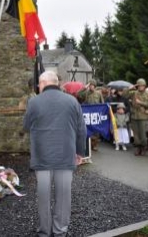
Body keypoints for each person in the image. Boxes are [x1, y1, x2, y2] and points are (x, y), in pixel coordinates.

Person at [23, 71, 86, 237]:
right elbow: (81, 129)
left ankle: (44, 230)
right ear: (56, 83)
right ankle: (60, 231)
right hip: (65, 155)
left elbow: (26, 125)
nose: (38, 86)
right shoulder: (72, 101)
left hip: (42, 156)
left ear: (44, 83)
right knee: (64, 195)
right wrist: (79, 152)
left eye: (39, 84)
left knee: (43, 195)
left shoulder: (34, 102)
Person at [123, 78, 148, 156]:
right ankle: (138, 148)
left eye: (142, 86)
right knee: (136, 134)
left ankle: (143, 148)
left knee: (143, 134)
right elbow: (124, 95)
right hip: (134, 116)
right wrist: (128, 88)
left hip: (143, 116)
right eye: (139, 86)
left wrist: (141, 102)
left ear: (144, 86)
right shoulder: (134, 93)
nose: (140, 87)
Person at [77, 79, 104, 151]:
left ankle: (94, 145)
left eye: (92, 85)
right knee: (88, 129)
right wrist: (84, 88)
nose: (91, 87)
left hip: (96, 114)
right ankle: (88, 144)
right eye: (90, 85)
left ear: (95, 86)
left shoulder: (98, 93)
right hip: (88, 114)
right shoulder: (86, 93)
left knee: (96, 130)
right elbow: (78, 94)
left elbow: (102, 104)